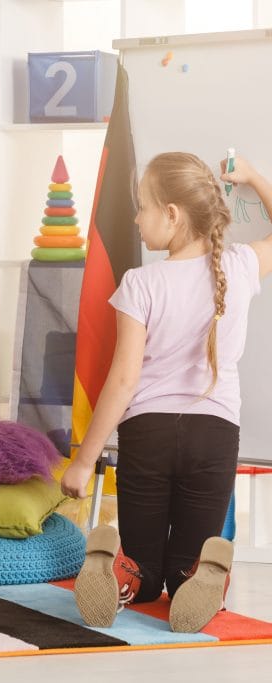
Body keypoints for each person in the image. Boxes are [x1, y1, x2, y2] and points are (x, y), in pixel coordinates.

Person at [61, 153, 272, 633]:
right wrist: (255, 176)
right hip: (215, 436)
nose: (137, 219)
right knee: (182, 570)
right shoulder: (239, 266)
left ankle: (121, 573)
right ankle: (200, 579)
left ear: (172, 214)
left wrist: (82, 461)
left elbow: (123, 381)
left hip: (148, 434)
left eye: (143, 208)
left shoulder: (141, 283)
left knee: (147, 568)